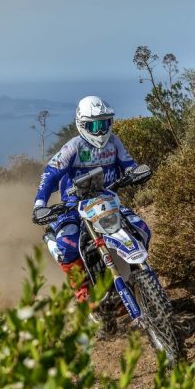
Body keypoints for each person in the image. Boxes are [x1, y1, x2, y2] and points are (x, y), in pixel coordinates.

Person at [32, 96, 151, 302]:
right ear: (81, 123)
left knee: (142, 229)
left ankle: (136, 276)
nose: (100, 131)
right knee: (67, 243)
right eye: (93, 125)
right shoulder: (73, 147)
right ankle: (82, 290)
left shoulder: (114, 143)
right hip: (73, 207)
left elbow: (129, 164)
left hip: (109, 201)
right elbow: (50, 174)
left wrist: (135, 172)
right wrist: (40, 204)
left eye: (104, 124)